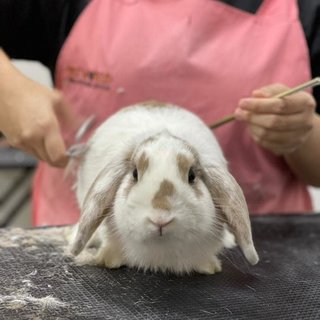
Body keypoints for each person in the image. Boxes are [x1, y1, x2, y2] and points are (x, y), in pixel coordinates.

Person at [0, 0, 320, 226]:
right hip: (82, 240)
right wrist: (8, 90)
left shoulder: (304, 9)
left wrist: (298, 135)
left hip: (256, 261)